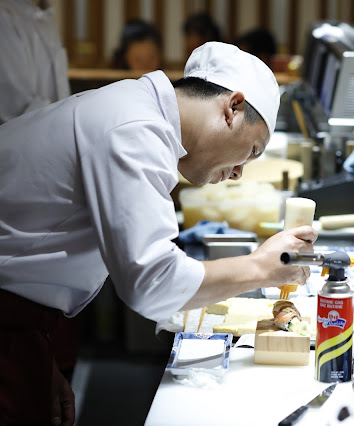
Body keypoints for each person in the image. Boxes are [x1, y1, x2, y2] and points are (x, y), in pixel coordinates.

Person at [0, 42, 317, 425]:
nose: (238, 173)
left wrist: (39, 355)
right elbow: (151, 282)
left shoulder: (137, 111)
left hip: (22, 323)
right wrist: (263, 267)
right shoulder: (134, 129)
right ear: (232, 108)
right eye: (251, 151)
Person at [0, 0, 70, 125]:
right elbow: (17, 112)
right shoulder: (4, 16)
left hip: (56, 130)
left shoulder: (45, 17)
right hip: (29, 134)